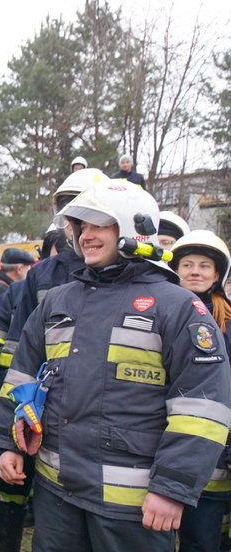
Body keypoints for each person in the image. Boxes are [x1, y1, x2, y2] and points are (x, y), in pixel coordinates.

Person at [0, 180, 231, 551]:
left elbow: (202, 410)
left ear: (132, 227)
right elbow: (22, 376)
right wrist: (8, 442)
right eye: (81, 226)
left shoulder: (179, 308)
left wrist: (171, 488)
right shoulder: (57, 301)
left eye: (98, 225)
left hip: (133, 507)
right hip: (57, 495)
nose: (85, 235)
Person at [0, 167, 107, 552]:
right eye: (68, 208)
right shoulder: (41, 275)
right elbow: (20, 345)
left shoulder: (122, 275)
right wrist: (5, 399)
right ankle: (4, 542)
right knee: (14, 485)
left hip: (92, 414)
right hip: (35, 405)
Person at [170, 230, 231, 552]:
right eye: (188, 264)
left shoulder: (227, 322)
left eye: (205, 266)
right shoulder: (161, 313)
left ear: (217, 274)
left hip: (215, 456)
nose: (195, 271)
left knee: (203, 540)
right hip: (165, 448)